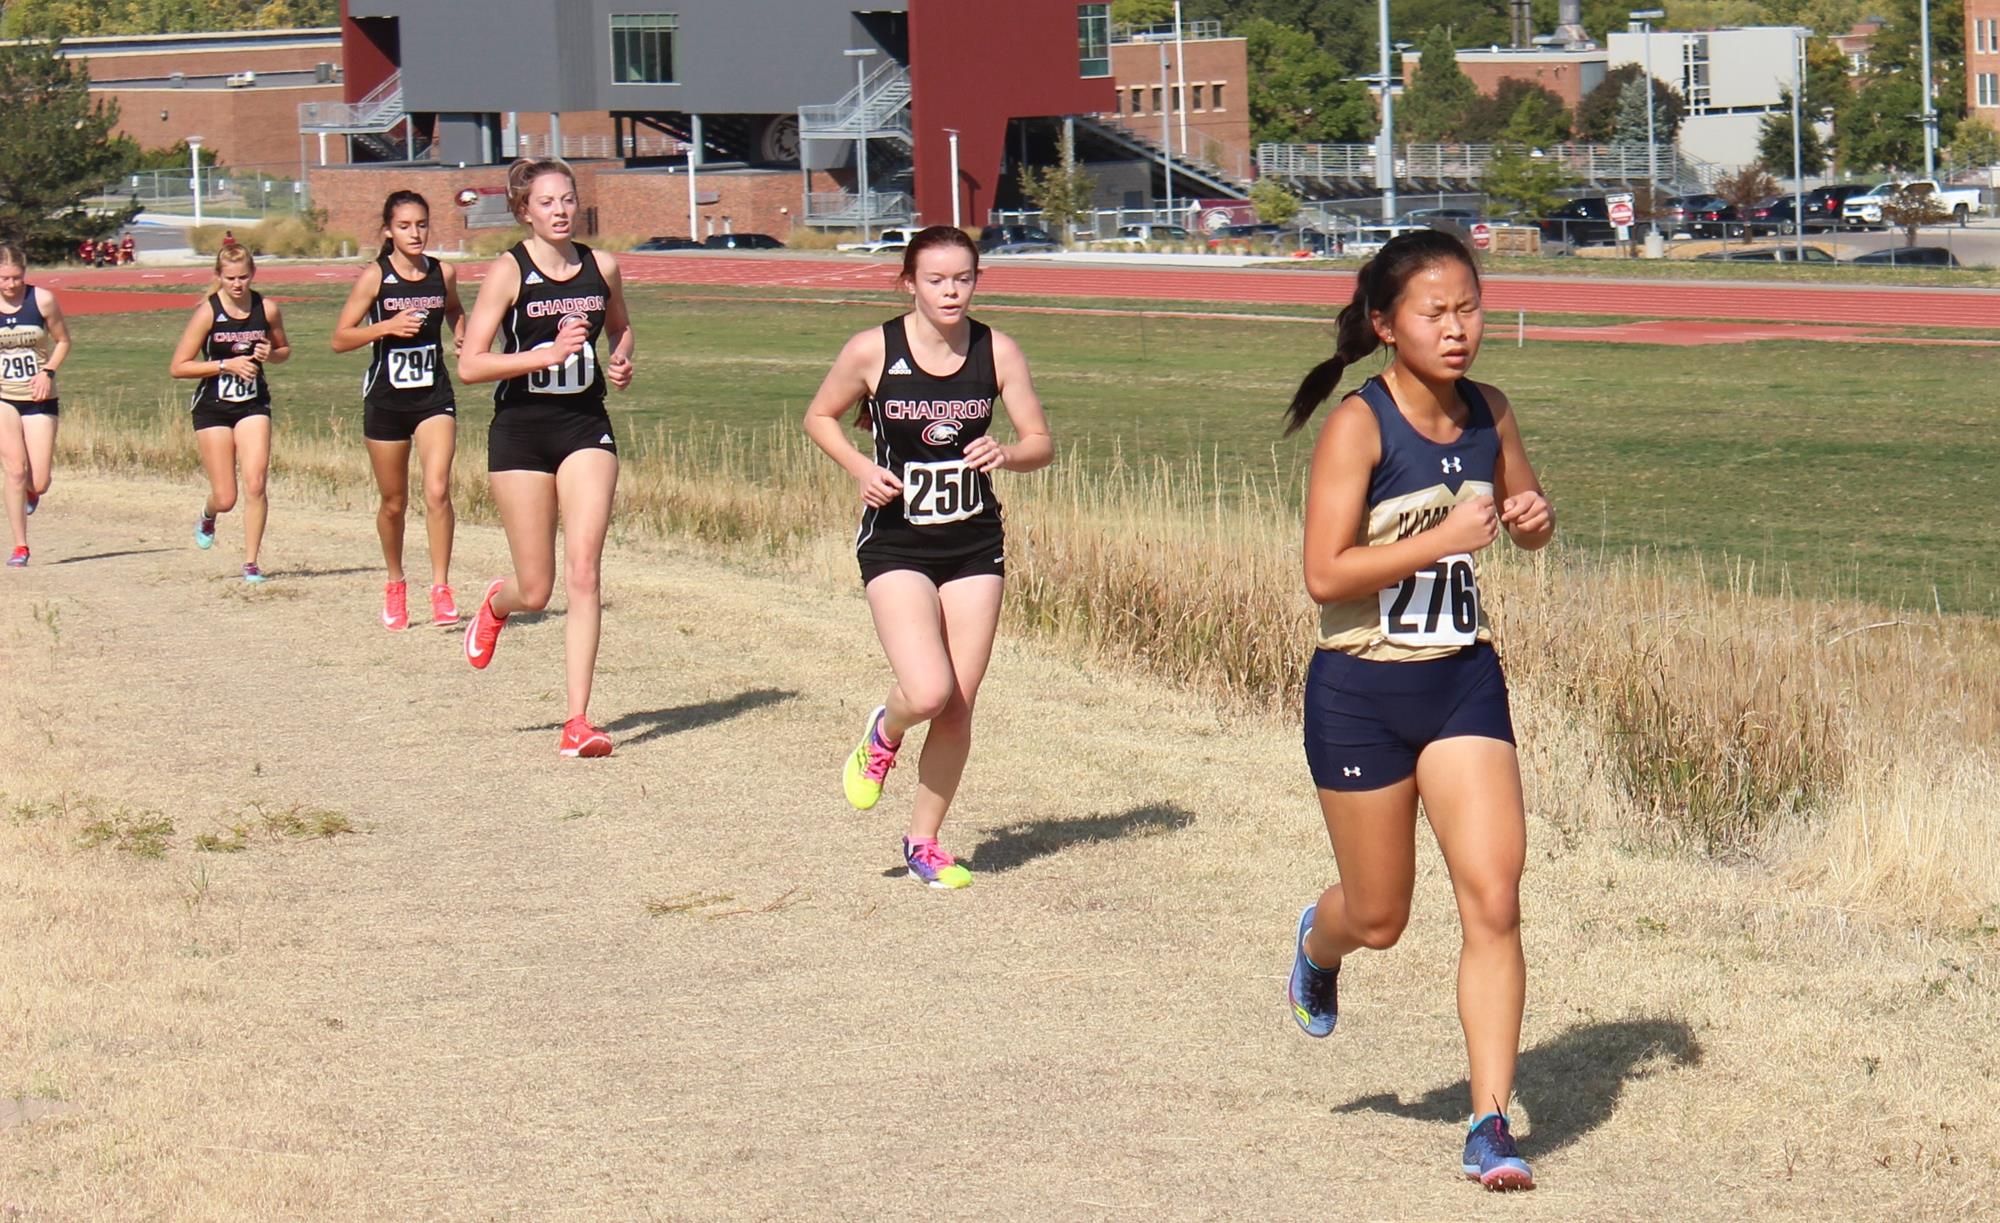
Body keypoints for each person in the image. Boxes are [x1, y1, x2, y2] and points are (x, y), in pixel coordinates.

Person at [1280, 229, 1554, 1190]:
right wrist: (1441, 536)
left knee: (1493, 896)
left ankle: (1490, 1121)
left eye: (1470, 307)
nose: (1458, 328)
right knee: (1382, 914)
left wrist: (1532, 519)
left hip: (1462, 681)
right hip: (1361, 690)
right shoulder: (1360, 424)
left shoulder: (1491, 412)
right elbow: (1324, 575)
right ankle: (1319, 944)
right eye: (1436, 313)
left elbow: (1525, 520)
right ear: (1387, 324)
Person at [802, 225, 1054, 889]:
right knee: (928, 689)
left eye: (963, 278)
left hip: (974, 542)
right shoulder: (873, 350)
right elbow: (820, 416)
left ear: (976, 281)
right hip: (897, 540)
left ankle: (924, 841)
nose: (951, 291)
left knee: (959, 706)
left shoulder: (995, 351)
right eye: (936, 279)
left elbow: (1040, 441)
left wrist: (1007, 451)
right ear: (909, 282)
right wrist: (859, 466)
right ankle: (884, 730)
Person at [457, 158, 634, 757]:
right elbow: (472, 364)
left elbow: (621, 328)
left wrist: (621, 360)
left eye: (567, 199)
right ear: (524, 210)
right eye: (546, 202)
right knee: (537, 588)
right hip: (521, 433)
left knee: (585, 571)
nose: (560, 210)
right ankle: (497, 603)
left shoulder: (600, 266)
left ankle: (577, 720)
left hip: (586, 426)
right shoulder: (510, 271)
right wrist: (544, 355)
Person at [332, 190, 467, 630]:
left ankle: (442, 588)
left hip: (433, 397)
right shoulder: (376, 277)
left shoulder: (442, 272)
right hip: (387, 401)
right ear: (389, 230)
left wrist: (463, 335)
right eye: (406, 226)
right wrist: (386, 327)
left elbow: (454, 310)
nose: (416, 233)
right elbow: (340, 338)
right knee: (394, 502)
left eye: (422, 224)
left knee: (438, 489)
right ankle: (395, 583)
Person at [168, 244, 291, 582]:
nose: (238, 284)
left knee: (256, 481)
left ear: (253, 275)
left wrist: (271, 354)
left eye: (244, 277)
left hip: (253, 405)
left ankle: (251, 563)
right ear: (219, 277)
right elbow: (178, 367)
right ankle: (209, 514)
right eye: (231, 278)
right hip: (214, 408)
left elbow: (284, 350)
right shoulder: (209, 312)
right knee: (226, 496)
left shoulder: (266, 308)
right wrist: (225, 364)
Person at [0, 245, 71, 568]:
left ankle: (32, 493)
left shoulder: (41, 300)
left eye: (16, 278)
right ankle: (20, 545)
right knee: (15, 470)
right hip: (4, 398)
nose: (10, 285)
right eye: (3, 279)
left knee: (38, 480)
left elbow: (63, 340)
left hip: (40, 398)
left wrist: (48, 371)